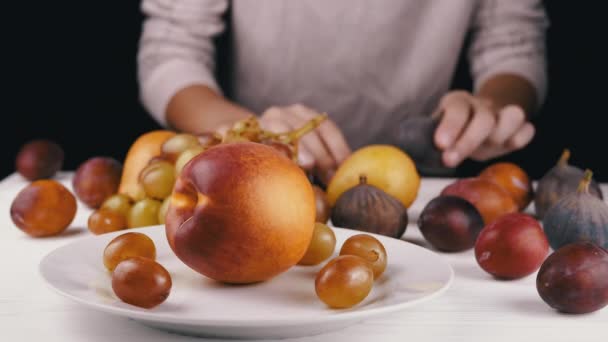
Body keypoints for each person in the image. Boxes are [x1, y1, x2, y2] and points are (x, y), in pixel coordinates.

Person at [137, 0, 547, 183]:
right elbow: (171, 50)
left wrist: (493, 108)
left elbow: (511, 42)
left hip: (422, 196)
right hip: (258, 183)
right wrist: (243, 131)